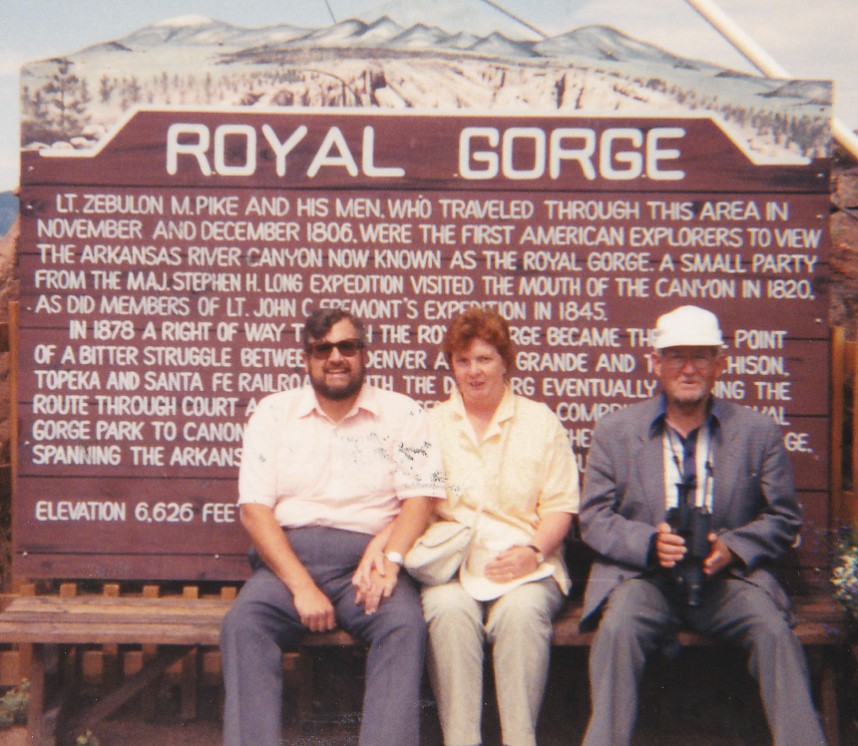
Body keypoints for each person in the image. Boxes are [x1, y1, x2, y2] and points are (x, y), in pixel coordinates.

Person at [578, 304, 827, 746]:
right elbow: (594, 519)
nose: (688, 368)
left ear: (720, 364)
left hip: (726, 580)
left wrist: (732, 547)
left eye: (702, 356)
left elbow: (784, 518)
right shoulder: (616, 431)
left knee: (773, 632)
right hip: (647, 579)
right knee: (616, 632)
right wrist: (650, 543)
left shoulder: (756, 432)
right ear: (655, 362)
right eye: (676, 355)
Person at [220, 308, 446, 746]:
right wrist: (301, 586)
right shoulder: (273, 414)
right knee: (243, 625)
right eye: (323, 349)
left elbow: (423, 499)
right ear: (306, 358)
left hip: (368, 565)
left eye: (347, 346)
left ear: (365, 354)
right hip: (289, 567)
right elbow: (254, 511)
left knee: (403, 626)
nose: (335, 357)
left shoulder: (405, 413)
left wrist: (391, 560)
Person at [420, 307, 579, 746]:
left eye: (485, 359)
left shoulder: (540, 422)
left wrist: (533, 551)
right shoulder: (429, 426)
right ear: (451, 365)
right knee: (447, 613)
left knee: (521, 613)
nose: (474, 371)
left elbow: (561, 506)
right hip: (453, 567)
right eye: (463, 360)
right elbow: (415, 507)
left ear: (505, 361)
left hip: (528, 564)